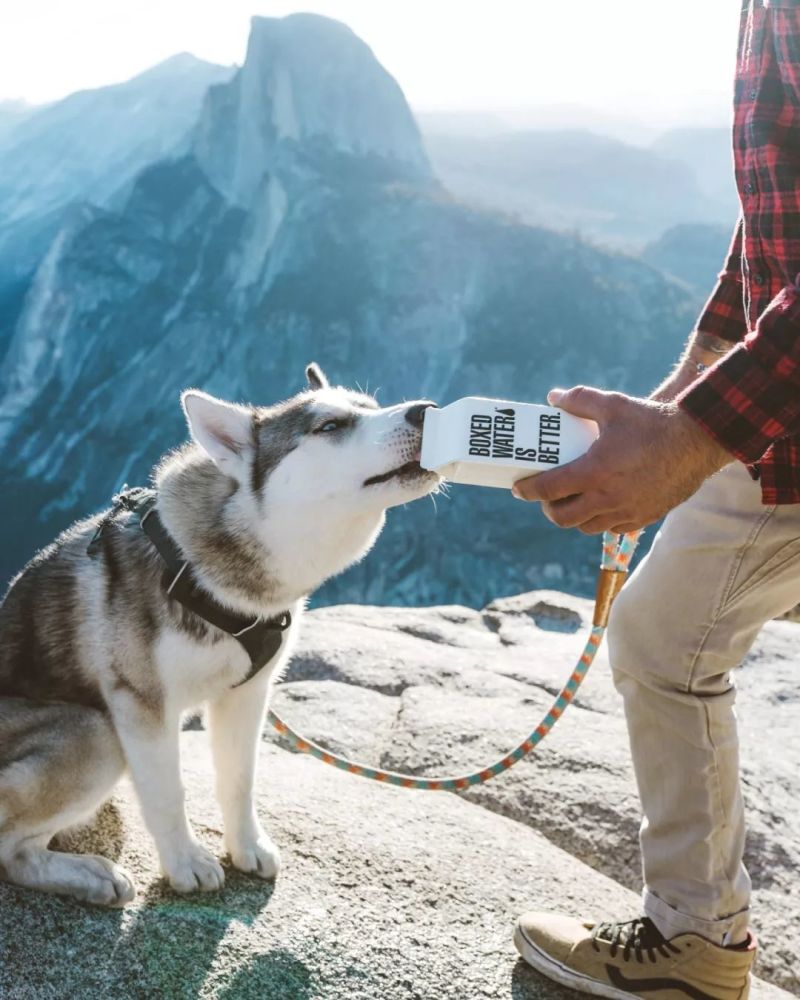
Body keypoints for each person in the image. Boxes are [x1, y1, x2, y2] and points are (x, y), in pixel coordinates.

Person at [510, 2, 800, 997]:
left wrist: (685, 437)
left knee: (663, 639)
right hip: (778, 399)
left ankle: (695, 938)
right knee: (662, 631)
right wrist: (679, 403)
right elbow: (774, 215)